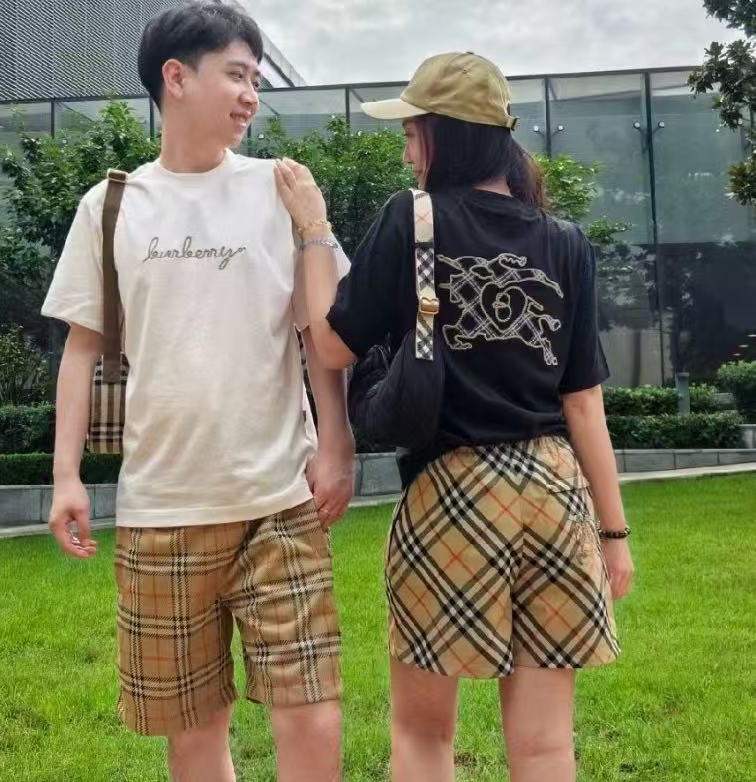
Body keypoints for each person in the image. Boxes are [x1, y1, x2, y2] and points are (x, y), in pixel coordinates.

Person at [274, 51, 635, 782]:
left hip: (453, 492)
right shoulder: (563, 241)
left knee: (423, 735)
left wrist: (312, 230)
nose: (407, 152)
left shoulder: (413, 219)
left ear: (449, 135)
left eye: (413, 134)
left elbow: (333, 348)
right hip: (555, 493)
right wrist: (614, 534)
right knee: (545, 745)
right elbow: (583, 401)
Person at [41, 4, 354, 780]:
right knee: (193, 733)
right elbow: (80, 349)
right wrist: (66, 476)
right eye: (237, 75)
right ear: (175, 78)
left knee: (311, 712)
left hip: (278, 500)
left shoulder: (280, 190)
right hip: (162, 509)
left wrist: (337, 444)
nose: (251, 95)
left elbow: (320, 334)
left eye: (257, 79)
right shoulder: (111, 205)